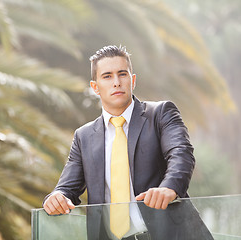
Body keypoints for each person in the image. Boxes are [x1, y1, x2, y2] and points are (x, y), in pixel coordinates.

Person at [43, 45, 213, 240]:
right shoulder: (84, 136)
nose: (116, 82)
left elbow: (181, 153)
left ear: (132, 80)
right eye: (107, 76)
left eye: (122, 74)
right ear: (95, 87)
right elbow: (67, 188)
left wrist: (170, 187)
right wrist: (57, 197)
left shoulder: (161, 113)